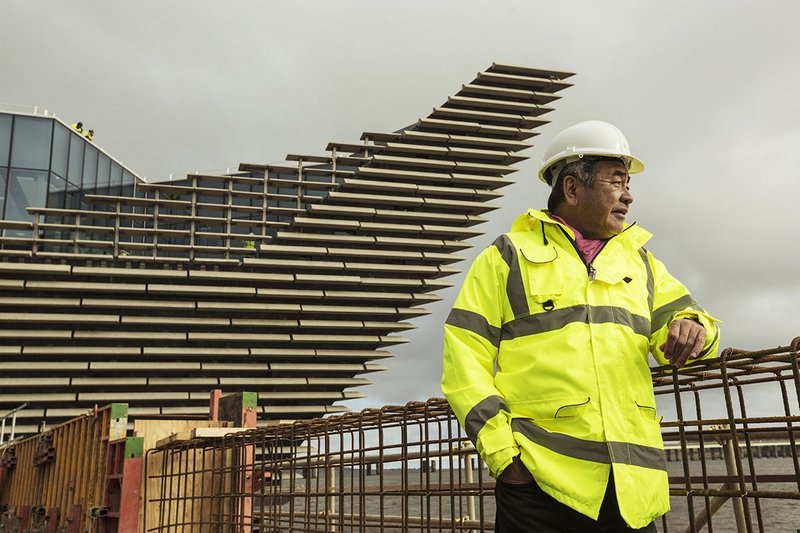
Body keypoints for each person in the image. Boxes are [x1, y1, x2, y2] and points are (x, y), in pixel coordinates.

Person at [441, 120, 720, 532]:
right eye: (616, 182)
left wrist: (693, 327)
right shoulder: (507, 256)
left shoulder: (640, 263)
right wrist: (505, 458)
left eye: (627, 184)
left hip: (629, 487)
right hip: (538, 483)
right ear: (572, 189)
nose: (628, 195)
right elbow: (464, 358)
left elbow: (696, 332)